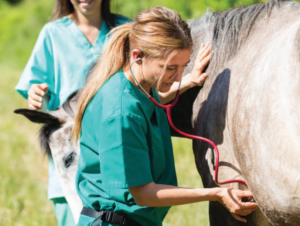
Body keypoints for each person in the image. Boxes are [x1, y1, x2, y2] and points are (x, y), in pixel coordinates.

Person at [73, 6, 258, 226]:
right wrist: (216, 194)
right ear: (137, 56)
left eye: (183, 65)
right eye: (170, 67)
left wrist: (188, 80)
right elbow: (144, 194)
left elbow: (150, 101)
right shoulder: (121, 114)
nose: (177, 75)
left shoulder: (135, 86)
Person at [15, 0, 131, 225]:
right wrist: (36, 95)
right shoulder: (52, 34)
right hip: (71, 162)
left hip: (117, 154)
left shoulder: (125, 30)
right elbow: (38, 92)